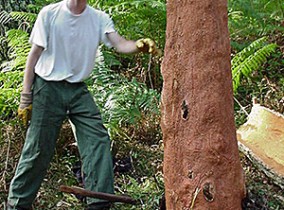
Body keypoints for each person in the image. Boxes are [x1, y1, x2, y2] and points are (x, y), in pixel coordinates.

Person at [7, 0, 158, 209]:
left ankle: (99, 202)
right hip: (47, 88)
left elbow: (119, 43)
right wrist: (26, 97)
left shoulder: (98, 18)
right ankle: (17, 205)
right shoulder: (49, 14)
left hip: (77, 89)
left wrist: (138, 45)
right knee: (38, 149)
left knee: (97, 139)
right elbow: (33, 56)